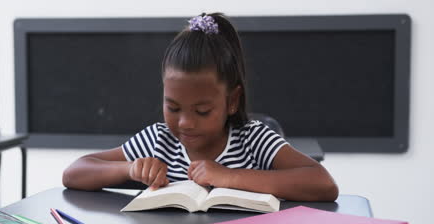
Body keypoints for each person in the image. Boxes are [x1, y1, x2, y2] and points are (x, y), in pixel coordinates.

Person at [63, 13, 338, 201]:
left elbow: (323, 183)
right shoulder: (159, 140)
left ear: (232, 101)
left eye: (202, 111)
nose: (184, 122)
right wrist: (129, 169)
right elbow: (75, 172)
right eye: (172, 107)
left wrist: (231, 177)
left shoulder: (253, 139)